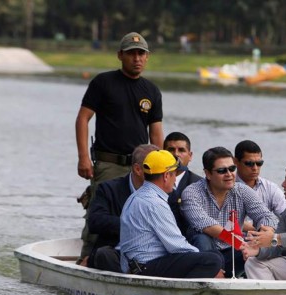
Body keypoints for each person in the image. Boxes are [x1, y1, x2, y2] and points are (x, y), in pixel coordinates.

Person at [75, 32, 165, 261]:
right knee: (99, 215)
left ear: (147, 57)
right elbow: (83, 119)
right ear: (120, 55)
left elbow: (155, 132)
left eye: (141, 54)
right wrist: (83, 157)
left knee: (143, 215)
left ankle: (136, 262)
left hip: (141, 167)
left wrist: (164, 167)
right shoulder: (103, 83)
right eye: (132, 53)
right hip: (109, 163)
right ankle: (86, 261)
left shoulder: (151, 91)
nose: (137, 58)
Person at [119, 150, 223, 278]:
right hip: (146, 267)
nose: (175, 179)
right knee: (212, 260)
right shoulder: (154, 203)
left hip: (139, 265)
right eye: (174, 174)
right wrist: (210, 265)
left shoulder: (136, 196)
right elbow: (177, 246)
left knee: (213, 256)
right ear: (166, 176)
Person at [181, 146, 278, 278]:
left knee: (269, 244)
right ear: (208, 173)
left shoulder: (242, 190)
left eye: (232, 169)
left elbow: (266, 216)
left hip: (234, 250)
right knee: (202, 238)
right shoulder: (192, 192)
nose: (229, 174)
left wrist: (265, 233)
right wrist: (242, 243)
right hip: (204, 253)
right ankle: (212, 273)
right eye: (222, 170)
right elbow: (206, 224)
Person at [86, 144, 159, 272]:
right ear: (138, 169)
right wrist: (133, 226)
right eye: (155, 168)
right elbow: (95, 221)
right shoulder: (108, 189)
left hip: (155, 254)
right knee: (104, 255)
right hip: (116, 252)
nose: (162, 173)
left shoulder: (168, 192)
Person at [234, 140, 286, 232]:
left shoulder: (271, 188)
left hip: (262, 237)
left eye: (259, 163)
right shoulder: (224, 186)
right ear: (235, 161)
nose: (255, 168)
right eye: (249, 163)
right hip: (231, 239)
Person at [163, 132, 202, 237]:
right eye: (171, 150)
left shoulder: (201, 185)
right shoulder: (152, 181)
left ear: (190, 156)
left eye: (181, 150)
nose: (176, 154)